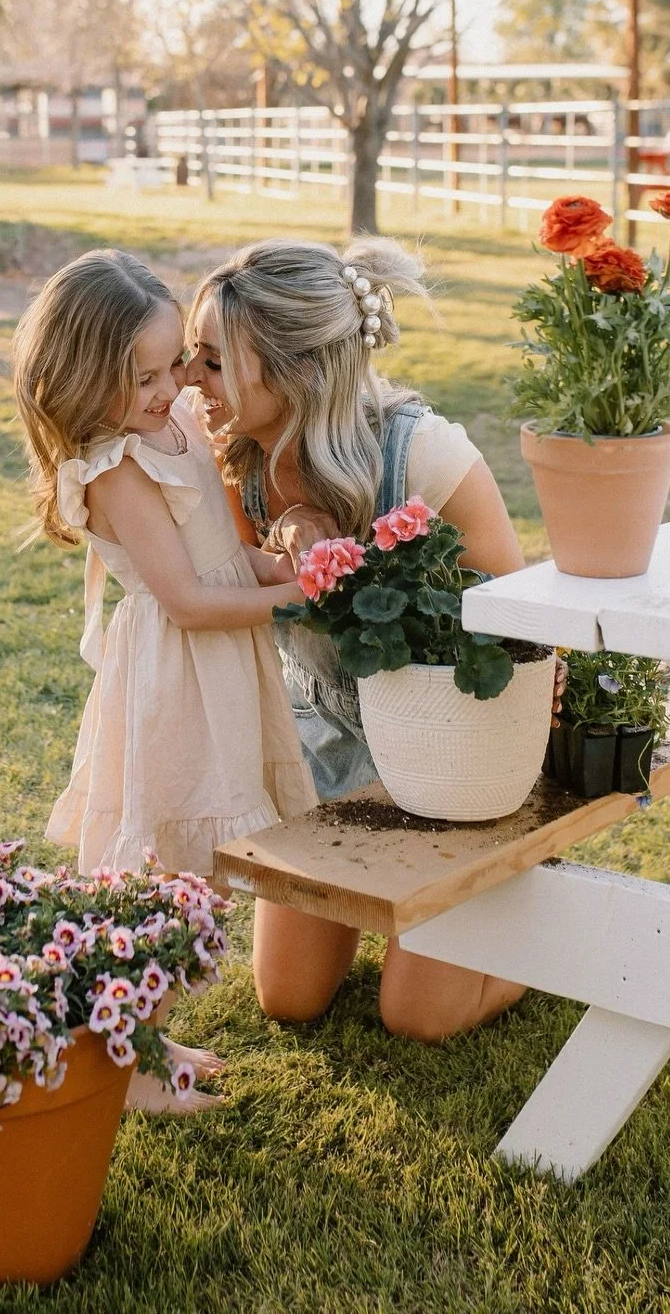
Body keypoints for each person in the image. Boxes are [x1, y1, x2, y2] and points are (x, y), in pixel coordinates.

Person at [186, 236, 529, 1043]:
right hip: (329, 741)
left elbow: (520, 621)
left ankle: (535, 914)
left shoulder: (420, 451)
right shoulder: (236, 458)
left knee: (417, 1018)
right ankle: (422, 908)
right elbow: (242, 581)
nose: (189, 384)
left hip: (452, 752)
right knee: (289, 999)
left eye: (211, 362)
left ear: (294, 369)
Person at [13, 247, 317, 1112]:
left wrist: (287, 566)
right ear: (81, 380)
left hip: (225, 663)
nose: (168, 387)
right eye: (141, 378)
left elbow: (224, 556)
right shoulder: (112, 469)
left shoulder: (175, 417)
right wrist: (297, 598)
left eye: (172, 363)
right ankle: (128, 1061)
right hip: (176, 673)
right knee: (158, 868)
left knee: (202, 871)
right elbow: (185, 599)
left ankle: (147, 1034)